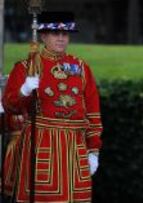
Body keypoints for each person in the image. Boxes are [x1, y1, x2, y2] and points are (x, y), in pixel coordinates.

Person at [2, 11, 102, 202]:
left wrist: (94, 150)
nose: (61, 38)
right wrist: (23, 91)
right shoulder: (26, 67)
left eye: (65, 34)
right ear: (43, 36)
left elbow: (93, 111)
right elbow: (9, 106)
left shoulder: (81, 67)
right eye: (56, 34)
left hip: (75, 147)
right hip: (41, 144)